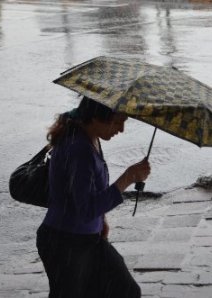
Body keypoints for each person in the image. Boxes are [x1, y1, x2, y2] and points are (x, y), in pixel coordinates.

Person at [37, 96, 151, 298]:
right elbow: (87, 208)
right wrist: (128, 177)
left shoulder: (91, 137)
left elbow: (88, 192)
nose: (121, 129)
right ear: (97, 117)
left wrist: (101, 219)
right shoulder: (78, 149)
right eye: (117, 122)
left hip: (88, 239)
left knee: (126, 290)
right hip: (65, 244)